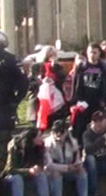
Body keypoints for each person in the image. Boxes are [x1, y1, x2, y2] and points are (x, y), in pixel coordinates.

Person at [72, 43, 106, 145]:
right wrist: (74, 101)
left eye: (95, 52)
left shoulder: (104, 68)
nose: (92, 55)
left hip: (98, 102)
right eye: (90, 52)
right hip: (83, 101)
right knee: (80, 126)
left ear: (99, 53)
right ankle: (81, 147)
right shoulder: (82, 67)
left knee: (98, 126)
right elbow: (75, 84)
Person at [0, 30, 28, 174]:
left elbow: (23, 83)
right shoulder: (12, 60)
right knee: (4, 145)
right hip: (6, 109)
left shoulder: (10, 60)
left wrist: (15, 102)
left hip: (5, 110)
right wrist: (16, 101)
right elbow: (24, 83)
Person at [44, 120, 88, 196]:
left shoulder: (73, 142)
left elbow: (77, 158)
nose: (58, 134)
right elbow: (49, 164)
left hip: (69, 171)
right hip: (53, 172)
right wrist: (66, 167)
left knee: (81, 171)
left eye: (61, 131)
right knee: (56, 173)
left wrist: (77, 165)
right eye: (56, 131)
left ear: (66, 132)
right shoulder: (47, 143)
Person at [2, 128, 52, 196]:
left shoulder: (39, 146)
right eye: (39, 136)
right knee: (17, 178)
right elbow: (10, 169)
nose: (42, 138)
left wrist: (38, 167)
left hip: (28, 176)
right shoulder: (15, 147)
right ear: (32, 139)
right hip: (12, 176)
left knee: (41, 175)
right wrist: (28, 171)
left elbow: (41, 162)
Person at [83, 111, 106, 196]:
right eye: (96, 121)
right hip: (95, 165)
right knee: (90, 159)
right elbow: (87, 150)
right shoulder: (87, 134)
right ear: (92, 122)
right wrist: (99, 142)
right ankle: (93, 193)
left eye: (101, 121)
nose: (99, 124)